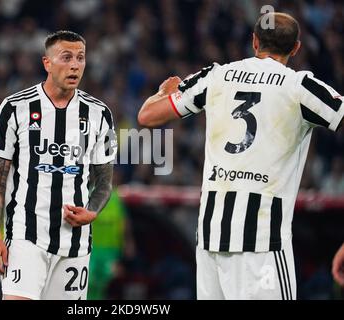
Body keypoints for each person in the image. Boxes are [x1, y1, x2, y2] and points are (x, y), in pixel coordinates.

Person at [138, 12, 344, 299]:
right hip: (262, 241)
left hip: (211, 239)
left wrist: (160, 92)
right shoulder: (300, 86)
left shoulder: (216, 75)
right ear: (296, 48)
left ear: (254, 42)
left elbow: (147, 115)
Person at [0, 30, 117, 300]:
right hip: (25, 236)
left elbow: (104, 182)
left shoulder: (99, 114)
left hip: (75, 244)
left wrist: (92, 211)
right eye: (66, 57)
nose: (75, 65)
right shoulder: (15, 107)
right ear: (47, 63)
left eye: (80, 58)